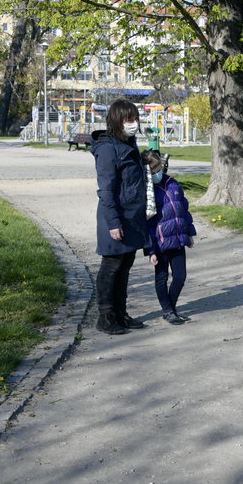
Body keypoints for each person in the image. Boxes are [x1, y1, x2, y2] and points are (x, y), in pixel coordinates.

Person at [91, 99, 150, 335]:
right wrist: (114, 223)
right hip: (115, 217)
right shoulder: (107, 149)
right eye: (129, 119)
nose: (133, 124)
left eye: (135, 119)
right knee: (111, 266)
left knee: (125, 266)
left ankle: (121, 313)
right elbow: (106, 189)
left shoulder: (129, 144)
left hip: (132, 216)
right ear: (117, 121)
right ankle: (105, 316)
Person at [141, 150, 197, 325]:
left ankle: (170, 307)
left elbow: (183, 209)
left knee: (180, 276)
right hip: (160, 241)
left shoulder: (172, 183)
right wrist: (150, 250)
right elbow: (146, 222)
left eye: (158, 168)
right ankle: (167, 309)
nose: (157, 173)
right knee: (162, 277)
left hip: (179, 238)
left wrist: (190, 232)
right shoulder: (146, 192)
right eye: (153, 170)